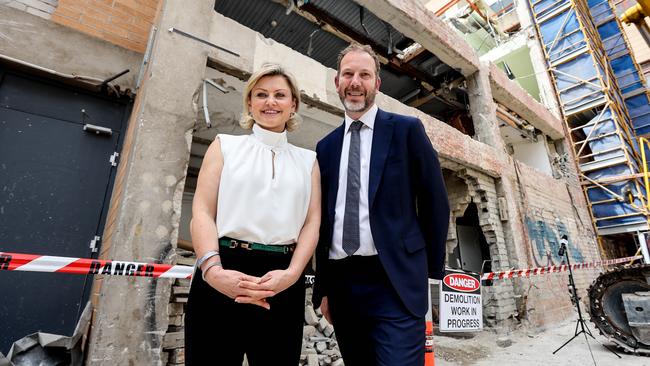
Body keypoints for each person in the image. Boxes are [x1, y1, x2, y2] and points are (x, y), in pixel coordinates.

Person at [313, 44, 450, 366]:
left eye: (364, 74)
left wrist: (426, 272)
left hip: (395, 279)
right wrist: (325, 287)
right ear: (337, 82)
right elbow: (323, 220)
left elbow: (434, 201)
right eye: (348, 74)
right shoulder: (326, 146)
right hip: (343, 281)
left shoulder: (407, 130)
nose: (355, 82)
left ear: (377, 83)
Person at [185, 63, 321, 365]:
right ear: (249, 102)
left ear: (293, 104)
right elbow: (203, 210)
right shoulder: (225, 146)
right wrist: (213, 271)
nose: (270, 102)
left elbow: (312, 222)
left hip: (283, 276)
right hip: (223, 267)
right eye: (261, 94)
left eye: (279, 95)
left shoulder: (308, 161)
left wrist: (293, 273)